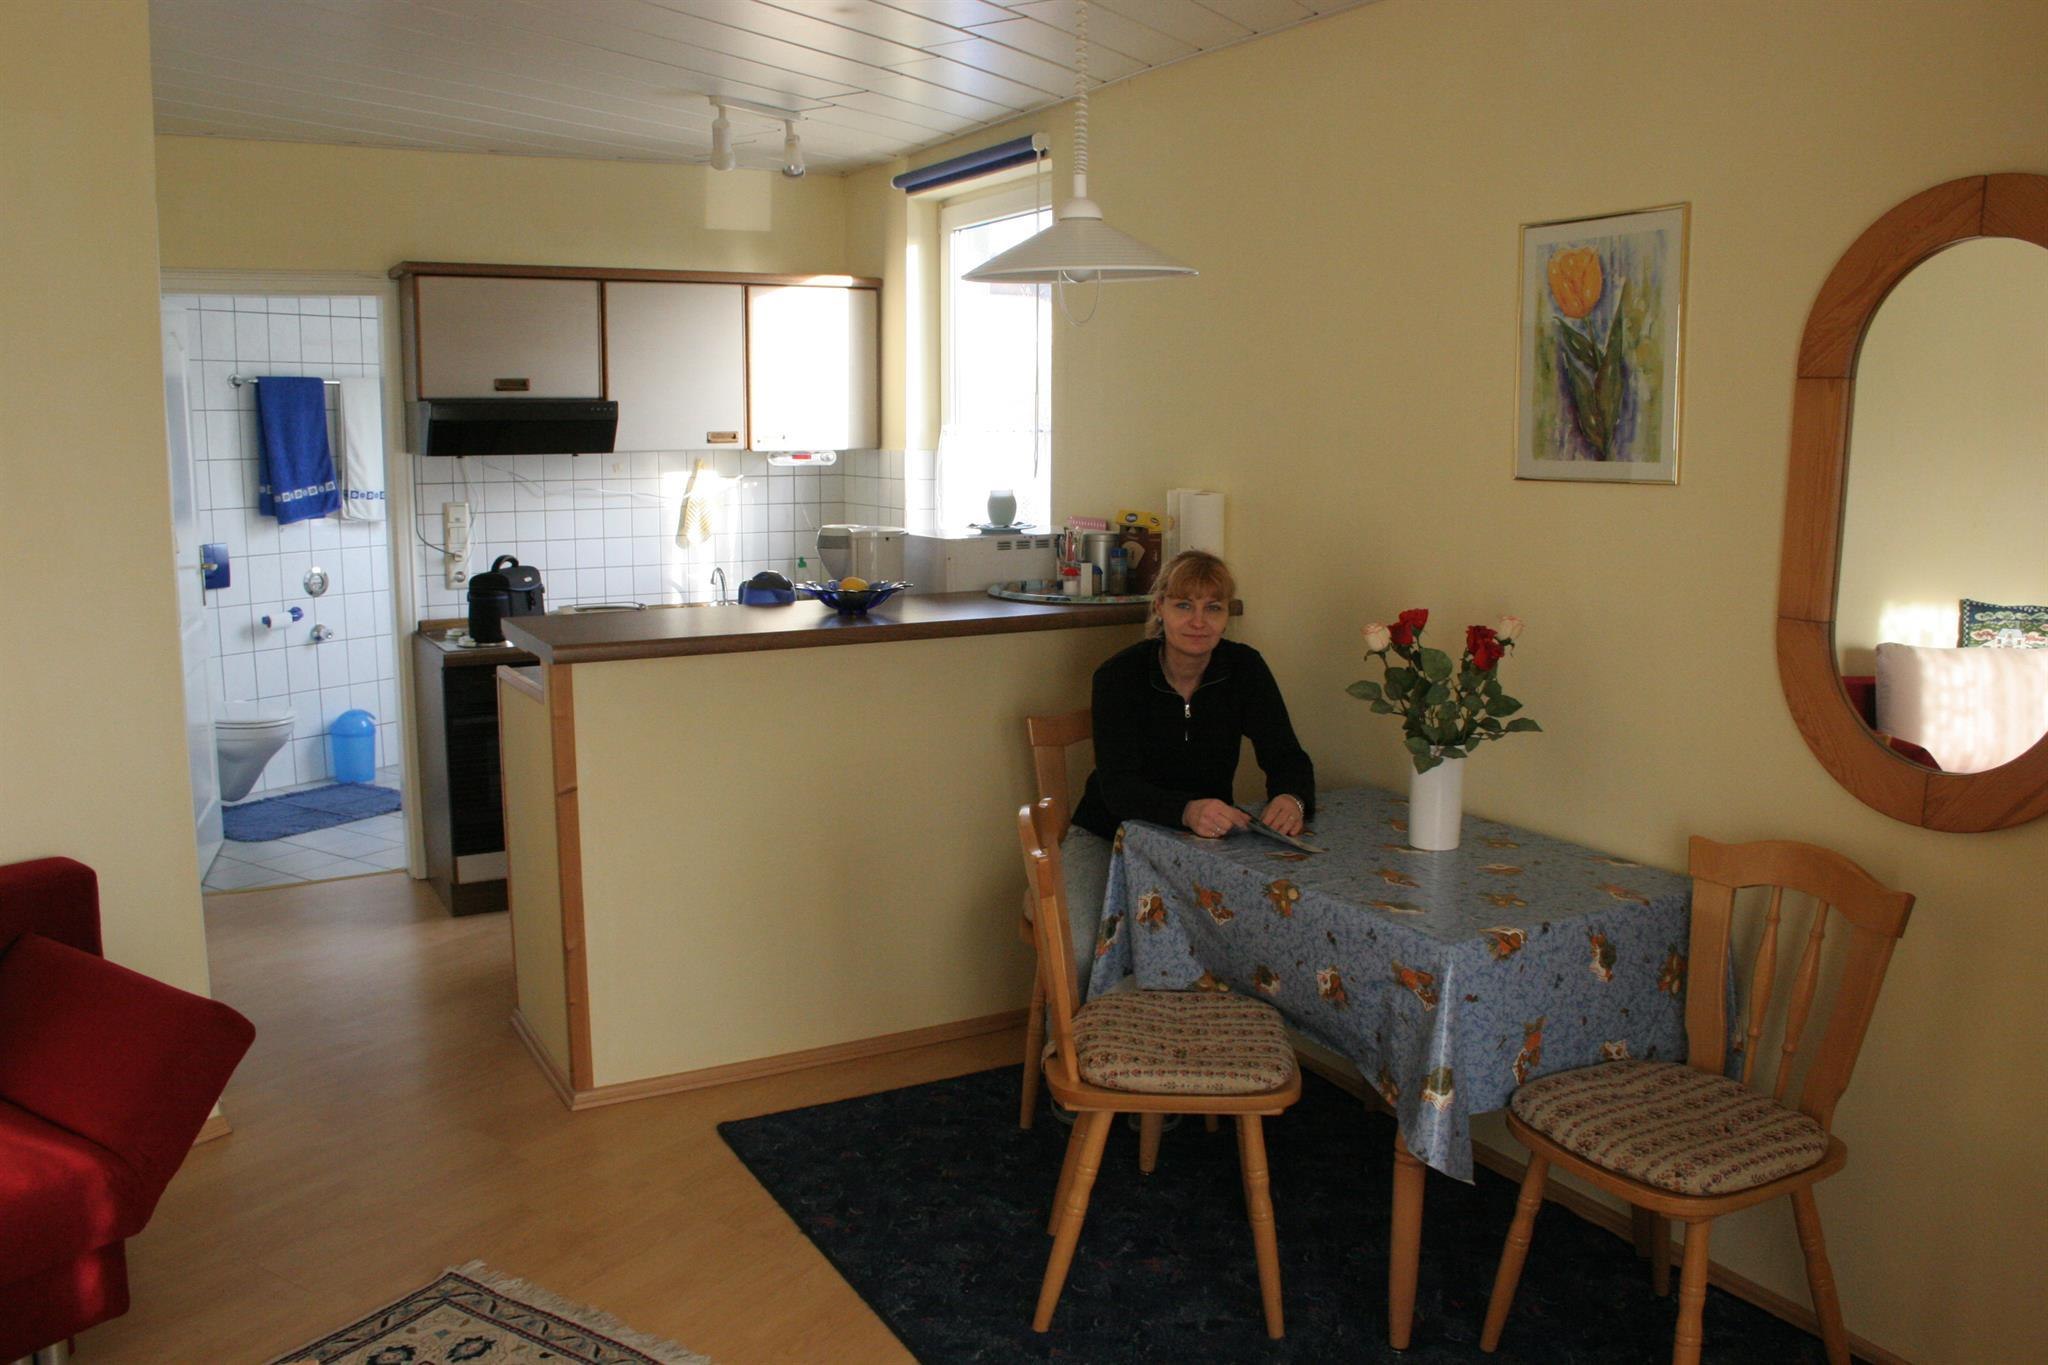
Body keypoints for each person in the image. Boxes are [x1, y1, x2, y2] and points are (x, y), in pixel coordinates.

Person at [1056, 550, 1316, 1001]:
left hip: (1199, 847)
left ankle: (1197, 1043)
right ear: (1159, 608)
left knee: (1246, 947)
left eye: (1213, 607)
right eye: (1183, 605)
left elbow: (1288, 757)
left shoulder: (1245, 670)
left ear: (1226, 616)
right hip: (1108, 834)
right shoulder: (1118, 676)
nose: (1198, 621)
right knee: (1080, 951)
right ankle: (1069, 1045)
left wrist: (1291, 798)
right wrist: (1187, 809)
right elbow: (1118, 789)